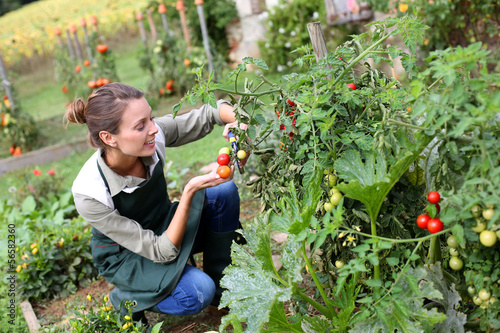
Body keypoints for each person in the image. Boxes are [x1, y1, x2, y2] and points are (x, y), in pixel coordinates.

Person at [65, 82, 247, 322]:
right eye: (141, 126)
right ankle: (125, 298)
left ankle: (222, 296)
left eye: (150, 118)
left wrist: (238, 123)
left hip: (164, 224)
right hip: (128, 255)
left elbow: (209, 114)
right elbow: (161, 251)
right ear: (108, 137)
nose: (153, 129)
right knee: (196, 292)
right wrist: (190, 190)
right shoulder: (90, 192)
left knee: (222, 191)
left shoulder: (150, 138)